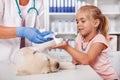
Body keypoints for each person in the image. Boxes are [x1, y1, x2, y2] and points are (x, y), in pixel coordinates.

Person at [50, 5, 119, 80]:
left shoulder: (99, 40)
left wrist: (67, 47)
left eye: (83, 21)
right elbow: (76, 60)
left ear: (95, 23)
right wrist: (75, 58)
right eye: (77, 21)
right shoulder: (80, 37)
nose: (79, 24)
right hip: (92, 76)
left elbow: (86, 60)